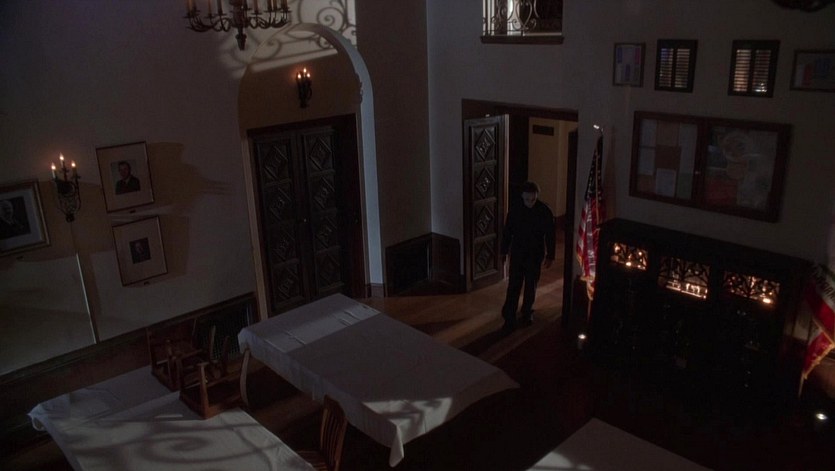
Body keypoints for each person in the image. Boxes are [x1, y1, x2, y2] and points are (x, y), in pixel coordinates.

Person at [500, 181, 556, 333]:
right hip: (518, 253)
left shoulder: (544, 211)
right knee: (514, 285)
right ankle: (509, 316)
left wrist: (550, 255)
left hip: (535, 254)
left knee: (531, 285)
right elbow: (507, 232)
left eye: (533, 199)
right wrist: (503, 252)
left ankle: (527, 312)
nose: (530, 202)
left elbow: (550, 235)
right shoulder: (515, 210)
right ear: (522, 196)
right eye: (527, 199)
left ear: (537, 196)